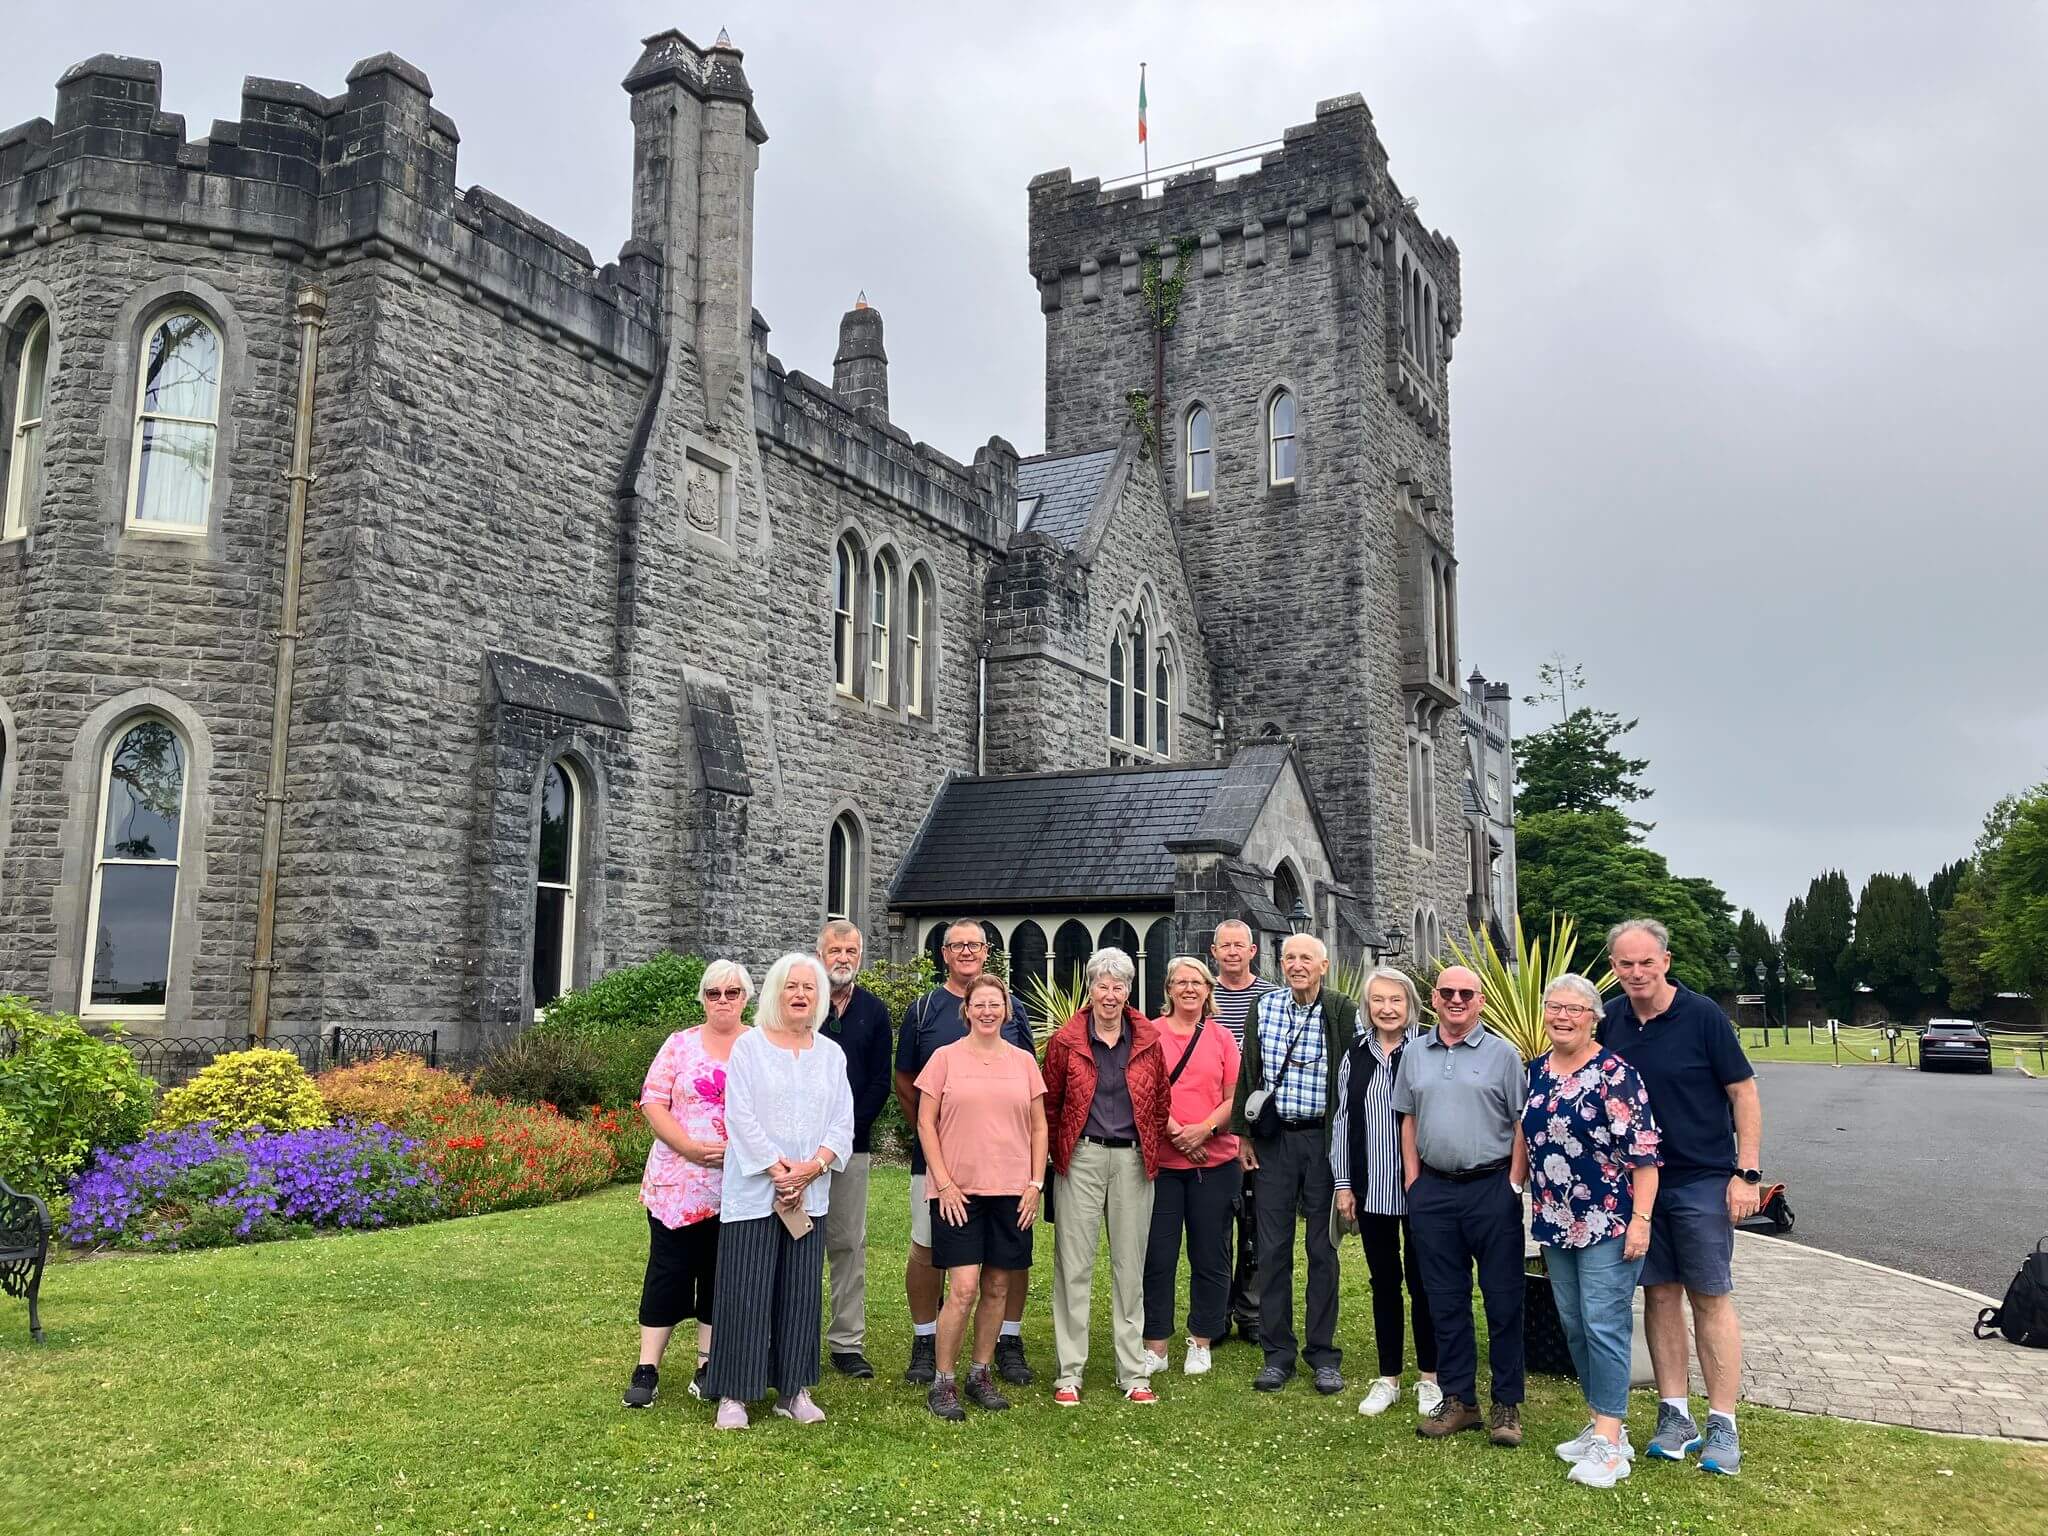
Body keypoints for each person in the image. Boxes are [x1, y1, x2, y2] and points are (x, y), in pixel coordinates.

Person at [1598, 917, 1762, 1477]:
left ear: (1666, 961)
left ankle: (1723, 1423)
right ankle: (1675, 1415)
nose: (1637, 973)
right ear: (1614, 967)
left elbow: (1742, 1092)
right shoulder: (1610, 1019)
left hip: (1700, 1179)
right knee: (1660, 1296)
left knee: (1709, 1296)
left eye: (1647, 962)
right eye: (1625, 964)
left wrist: (1748, 1171)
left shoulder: (1703, 1017)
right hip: (1637, 1184)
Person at [703, 952, 854, 1430]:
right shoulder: (750, 1048)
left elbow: (842, 1122)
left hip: (809, 1191)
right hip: (754, 1191)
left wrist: (811, 1169)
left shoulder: (831, 1055)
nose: (800, 995)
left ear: (820, 997)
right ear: (774, 993)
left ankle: (794, 1389)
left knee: (799, 1291)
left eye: (809, 988)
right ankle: (734, 1393)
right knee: (745, 1290)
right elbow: (739, 1114)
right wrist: (776, 1168)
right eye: (791, 987)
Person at [1526, 973, 1663, 1489]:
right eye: (1554, 1007)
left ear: (1594, 1018)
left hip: (1609, 1220)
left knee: (1604, 1323)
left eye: (1574, 1010)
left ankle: (1611, 1444)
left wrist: (1642, 1222)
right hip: (1555, 1221)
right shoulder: (1537, 1070)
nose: (1562, 1017)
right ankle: (1603, 1420)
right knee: (1574, 1323)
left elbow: (1644, 1157)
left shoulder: (1614, 1073)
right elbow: (1527, 1134)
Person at [894, 919, 1038, 1386]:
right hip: (944, 1167)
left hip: (1008, 1176)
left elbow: (1035, 1111)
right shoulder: (924, 1011)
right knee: (932, 1254)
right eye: (956, 945)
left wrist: (1033, 1179)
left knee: (1001, 1272)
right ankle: (928, 1346)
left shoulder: (1017, 1027)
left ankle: (1000, 1349)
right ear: (944, 954)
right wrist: (943, 1143)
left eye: (974, 944)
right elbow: (906, 1085)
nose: (966, 951)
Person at [1395, 963, 1531, 1447]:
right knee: (1444, 1300)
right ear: (1434, 998)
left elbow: (1521, 1122)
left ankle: (1506, 1405)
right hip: (1433, 1192)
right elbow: (1407, 1119)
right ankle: (1459, 1400)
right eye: (1447, 992)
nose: (1456, 1000)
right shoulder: (1415, 1053)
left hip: (1491, 1190)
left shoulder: (1503, 1055)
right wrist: (1414, 1182)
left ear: (1481, 1002)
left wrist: (1514, 1184)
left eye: (1466, 994)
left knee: (1503, 1299)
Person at [914, 972, 1050, 1420]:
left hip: (1012, 1192)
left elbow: (1038, 1126)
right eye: (980, 1004)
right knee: (964, 1288)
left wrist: (1035, 1184)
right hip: (958, 1193)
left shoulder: (1023, 1062)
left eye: (996, 1004)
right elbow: (924, 1124)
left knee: (996, 1286)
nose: (988, 1011)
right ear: (967, 1011)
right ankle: (944, 1381)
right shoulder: (944, 1059)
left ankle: (980, 1372)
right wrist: (944, 1182)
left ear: (1006, 1011)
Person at [622, 958, 752, 1410]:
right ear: (702, 998)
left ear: (747, 999)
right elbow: (653, 1101)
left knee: (719, 1275)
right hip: (677, 1183)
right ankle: (647, 1367)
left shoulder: (758, 1047)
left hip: (737, 1185)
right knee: (668, 1272)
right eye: (713, 993)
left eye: (732, 992)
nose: (722, 1000)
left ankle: (708, 1362)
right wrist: (690, 1147)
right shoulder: (679, 1045)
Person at [1043, 946, 1171, 1405]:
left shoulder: (1149, 1040)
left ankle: (1133, 1372)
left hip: (1133, 1161)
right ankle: (1069, 1373)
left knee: (1129, 1268)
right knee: (1073, 1266)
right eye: (1102, 984)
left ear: (1129, 991)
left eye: (1119, 986)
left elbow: (1159, 1104)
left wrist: (1147, 1149)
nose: (1110, 994)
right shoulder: (1065, 1042)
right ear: (1090, 989)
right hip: (1081, 1159)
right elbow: (1052, 1105)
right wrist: (1062, 1156)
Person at [1230, 932, 1355, 1396]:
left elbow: (1355, 1077)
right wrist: (1243, 1136)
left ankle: (1323, 1355)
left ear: (1323, 965)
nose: (1296, 964)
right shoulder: (1263, 1008)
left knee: (1323, 1250)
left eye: (1306, 958)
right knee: (1272, 1250)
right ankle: (1276, 1354)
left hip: (1323, 1142)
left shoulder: (1341, 1010)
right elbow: (1248, 1072)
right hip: (1275, 1142)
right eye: (1289, 958)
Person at [1330, 965, 1440, 1419]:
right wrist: (1343, 1184)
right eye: (1379, 1000)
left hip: (1422, 1189)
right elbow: (1342, 1120)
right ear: (1367, 1006)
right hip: (1370, 1187)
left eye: (1396, 1000)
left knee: (1424, 1283)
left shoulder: (1430, 1050)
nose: (1387, 1008)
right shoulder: (1355, 1053)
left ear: (1410, 1005)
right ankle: (1388, 1377)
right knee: (1384, 1284)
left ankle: (1430, 1379)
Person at [1141, 956, 1242, 1377]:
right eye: (1180, 982)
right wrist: (1177, 1133)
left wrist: (1203, 1130)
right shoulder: (1150, 1034)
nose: (1188, 989)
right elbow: (1141, 1089)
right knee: (1158, 1256)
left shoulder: (1221, 1039)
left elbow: (1235, 1095)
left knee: (1210, 1255)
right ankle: (1156, 1346)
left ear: (1207, 989)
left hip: (1214, 1163)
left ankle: (1202, 1339)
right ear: (1168, 989)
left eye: (1196, 982)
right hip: (1164, 1163)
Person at [818, 920, 891, 1379]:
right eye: (835, 951)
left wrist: (845, 1134)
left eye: (851, 951)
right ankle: (795, 1335)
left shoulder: (874, 1011)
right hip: (799, 1154)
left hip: (852, 1148)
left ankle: (846, 1342)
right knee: (799, 1241)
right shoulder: (802, 1004)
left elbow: (880, 1082)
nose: (843, 958)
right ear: (820, 954)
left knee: (848, 1243)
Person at [1209, 919, 1278, 1345]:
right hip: (1213, 1131)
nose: (1233, 952)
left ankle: (1251, 1313)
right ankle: (1215, 1312)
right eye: (1225, 946)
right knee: (1217, 1226)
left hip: (1259, 1127)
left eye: (1240, 945)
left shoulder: (1270, 997)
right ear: (1213, 951)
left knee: (1256, 1224)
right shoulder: (1201, 995)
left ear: (1253, 951)